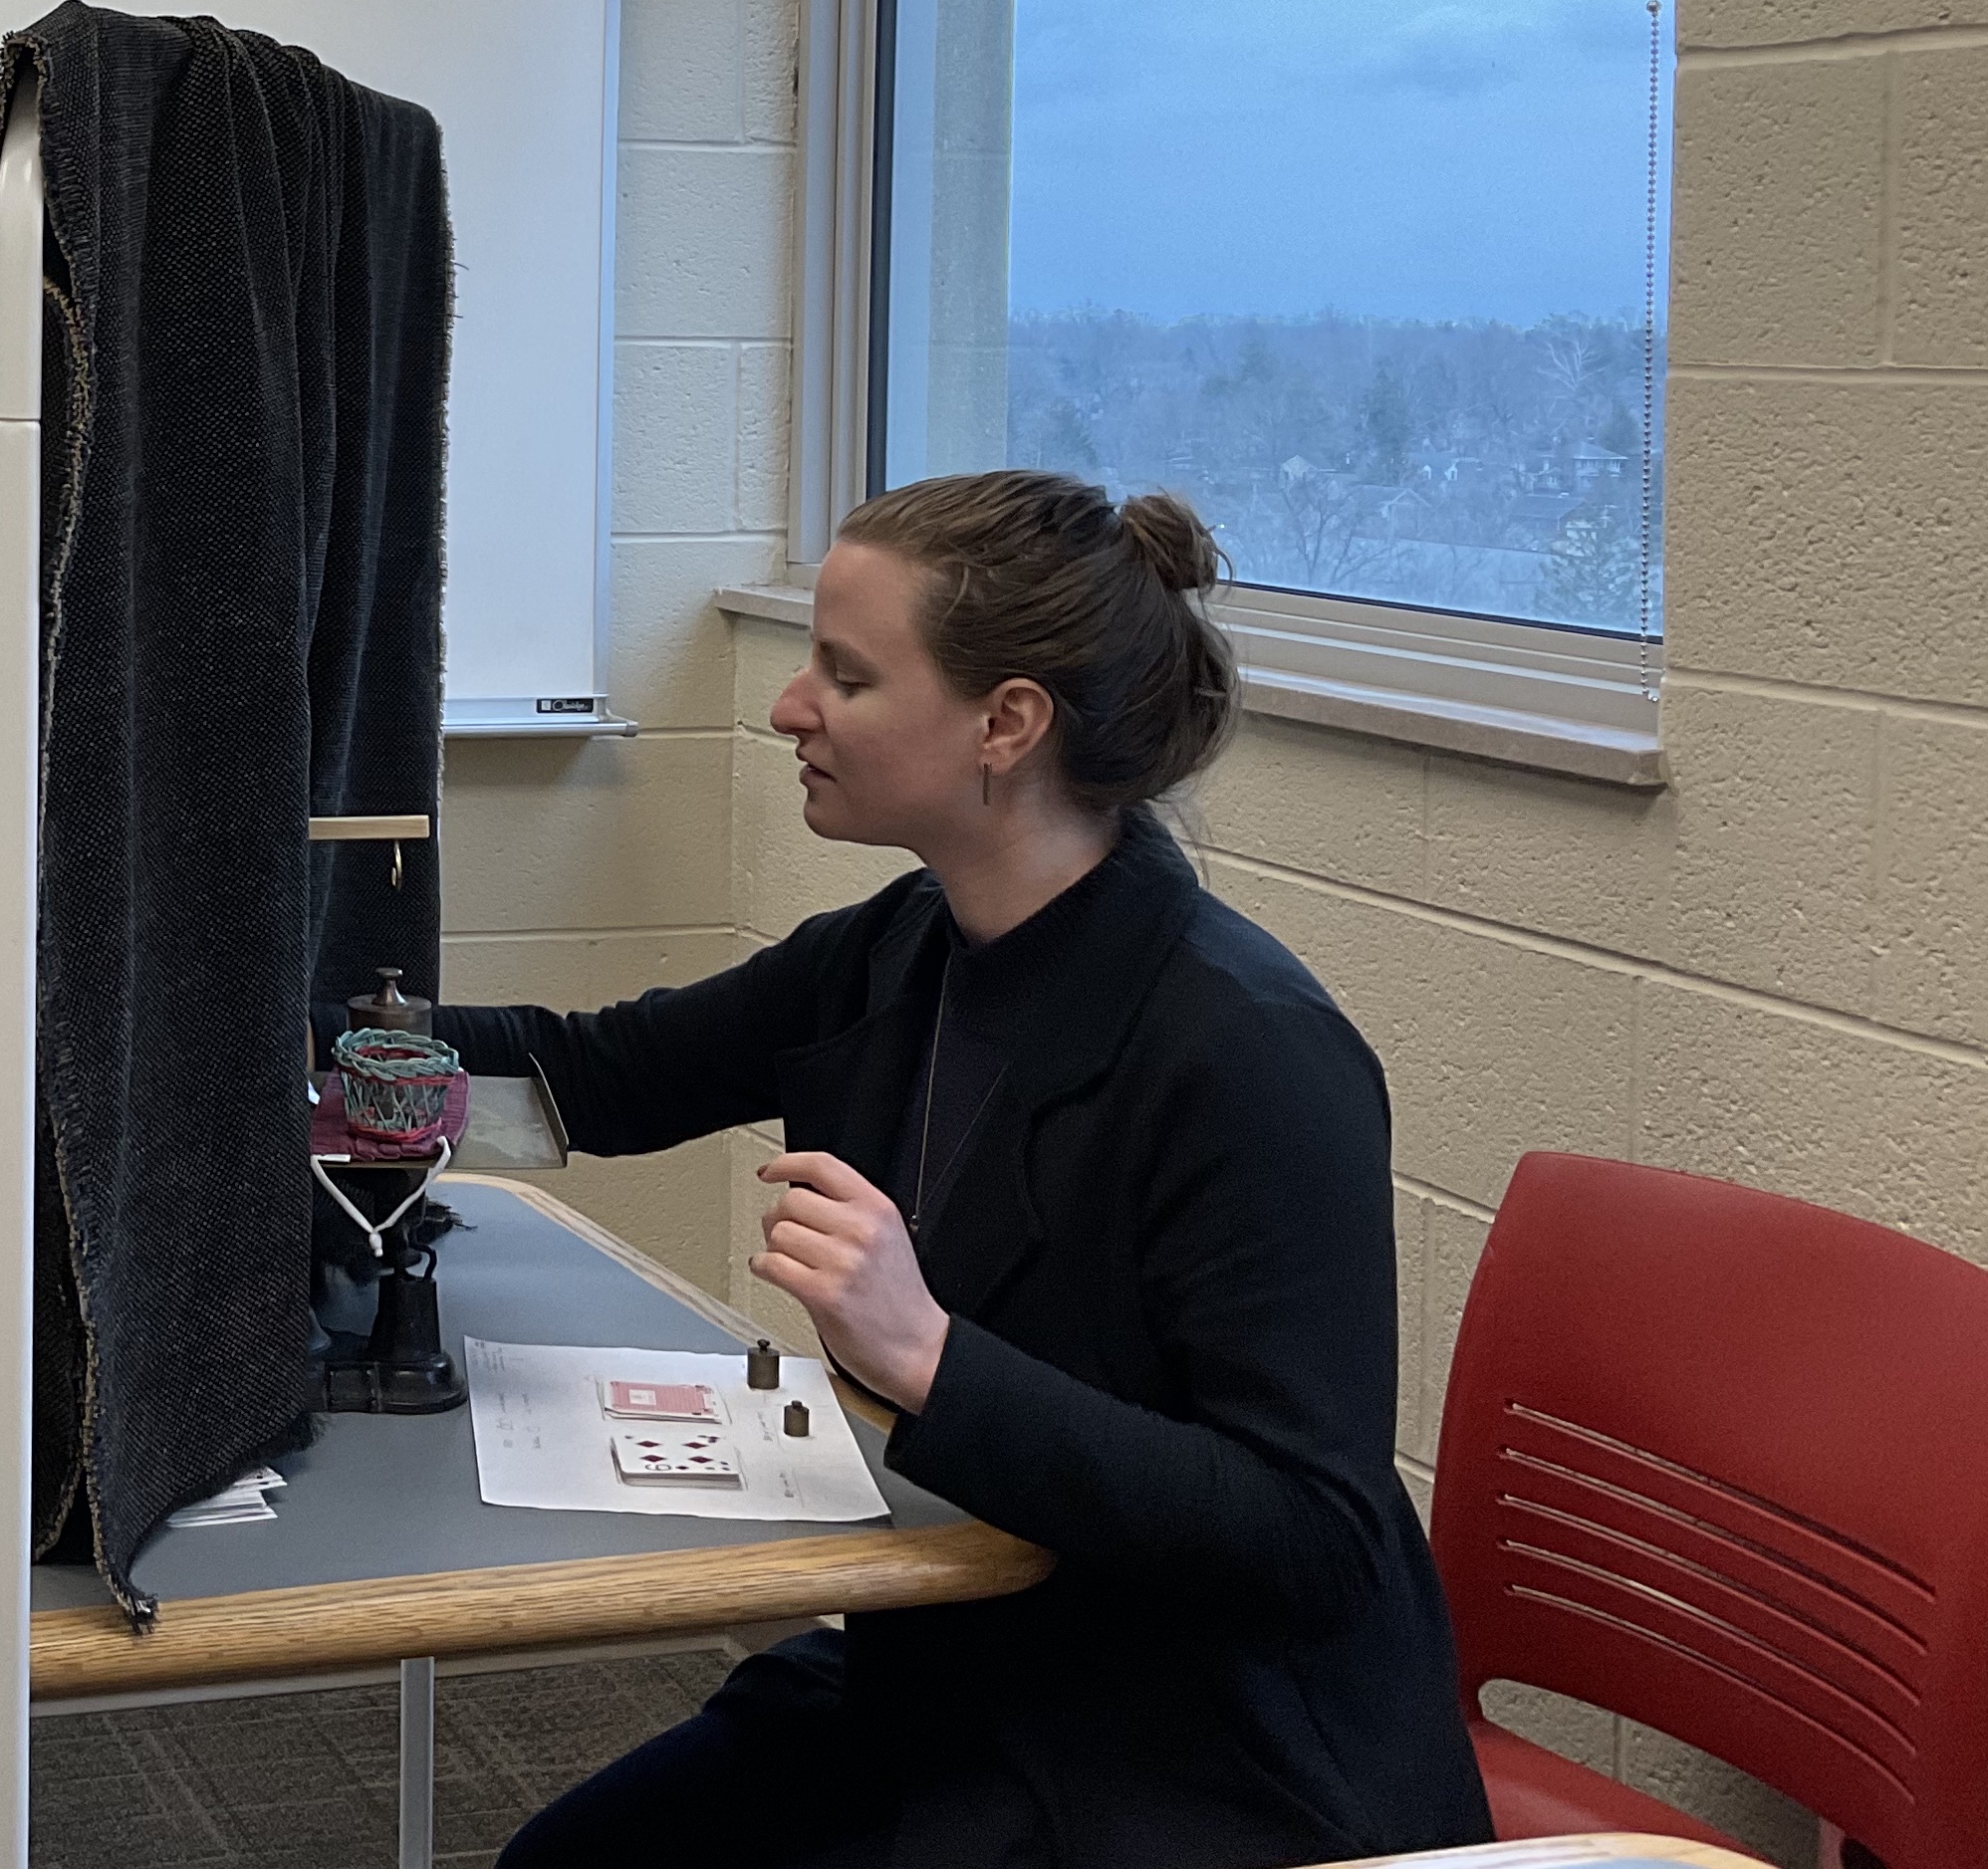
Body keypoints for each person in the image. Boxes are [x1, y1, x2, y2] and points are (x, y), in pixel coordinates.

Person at [443, 471, 1491, 1869]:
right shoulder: (904, 949)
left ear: (1006, 724)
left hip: (1197, 1751)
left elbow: (1311, 1540)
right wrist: (270, 1052)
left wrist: (931, 1356)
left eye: (846, 675)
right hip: (968, 1663)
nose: (786, 707)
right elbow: (594, 1077)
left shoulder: (1250, 1053)